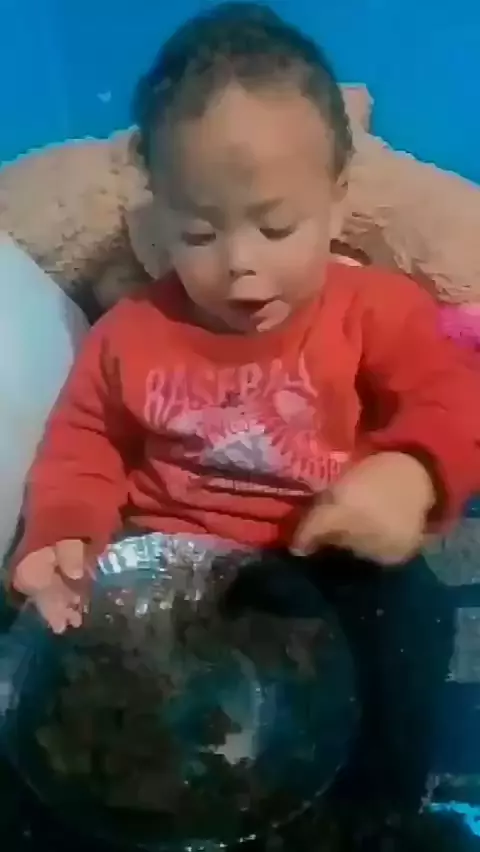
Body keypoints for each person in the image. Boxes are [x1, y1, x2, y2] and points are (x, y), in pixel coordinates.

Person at [7, 0, 477, 816]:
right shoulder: (130, 332)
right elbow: (84, 442)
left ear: (336, 200)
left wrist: (413, 474)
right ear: (156, 210)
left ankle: (379, 813)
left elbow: (454, 395)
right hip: (170, 565)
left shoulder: (373, 310)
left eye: (277, 227)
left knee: (417, 620)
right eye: (199, 234)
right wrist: (63, 535)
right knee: (65, 673)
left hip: (327, 549)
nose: (240, 265)